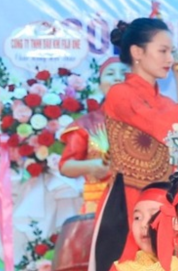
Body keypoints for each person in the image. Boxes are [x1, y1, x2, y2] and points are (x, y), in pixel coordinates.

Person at [92, 17, 178, 271]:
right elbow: (164, 124)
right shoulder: (120, 93)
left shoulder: (164, 102)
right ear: (137, 52)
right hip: (127, 203)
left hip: (160, 202)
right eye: (162, 51)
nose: (169, 58)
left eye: (171, 51)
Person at [57, 56, 134, 217]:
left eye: (124, 73)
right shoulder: (86, 124)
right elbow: (65, 166)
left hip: (140, 205)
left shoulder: (150, 120)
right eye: (110, 73)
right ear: (100, 86)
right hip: (99, 207)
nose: (118, 78)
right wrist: (91, 165)